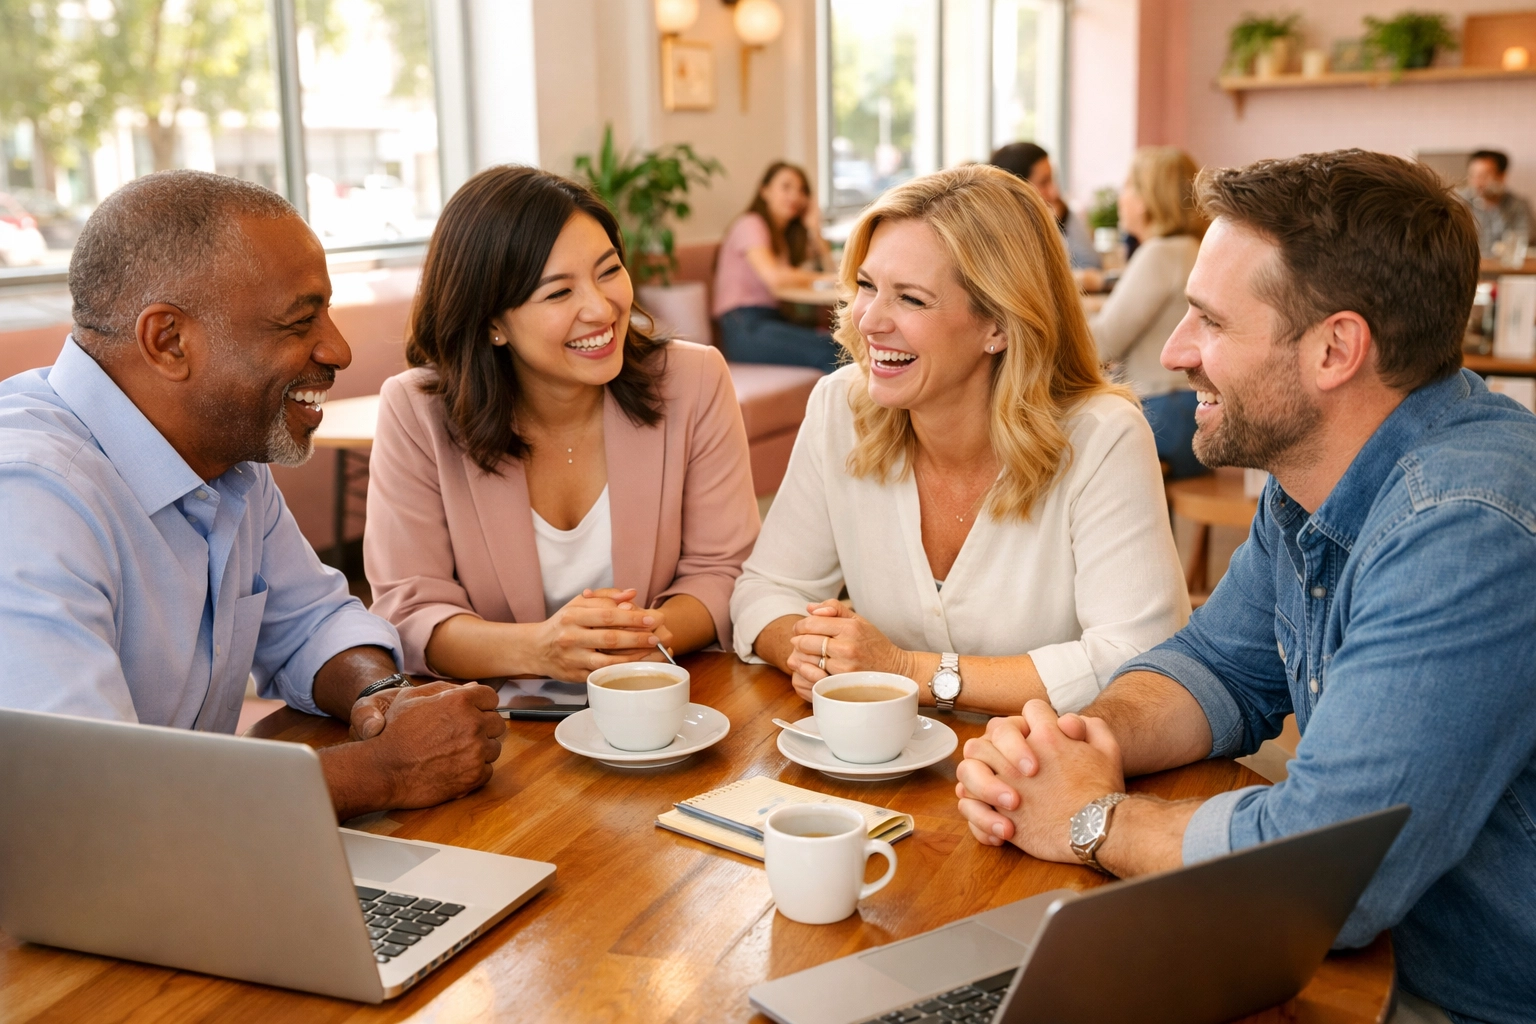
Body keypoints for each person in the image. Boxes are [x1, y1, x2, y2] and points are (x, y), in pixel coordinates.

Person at [954, 150, 1536, 1024]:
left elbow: (1323, 874)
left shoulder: (1464, 526)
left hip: (1462, 999)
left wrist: (1093, 819)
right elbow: (1216, 666)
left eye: (1210, 321)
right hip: (1365, 959)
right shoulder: (1315, 474)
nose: (1177, 352)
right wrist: (1075, 745)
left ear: (1335, 349)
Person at [0, 171, 505, 821]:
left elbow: (310, 623)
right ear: (169, 341)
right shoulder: (28, 502)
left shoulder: (220, 450)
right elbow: (90, 800)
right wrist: (383, 771)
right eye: (299, 322)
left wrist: (380, 696)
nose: (339, 349)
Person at [730, 164, 1189, 716]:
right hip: (879, 757)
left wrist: (905, 671)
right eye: (867, 286)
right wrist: (816, 651)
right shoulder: (840, 406)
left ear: (999, 324)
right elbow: (765, 591)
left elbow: (1136, 661)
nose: (869, 321)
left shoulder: (1102, 437)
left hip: (1038, 761)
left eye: (911, 299)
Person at [364, 166, 760, 684]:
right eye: (558, 293)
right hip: (493, 715)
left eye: (608, 270)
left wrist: (632, 640)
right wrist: (540, 651)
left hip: (654, 699)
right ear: (492, 322)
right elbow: (410, 610)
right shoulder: (416, 410)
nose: (600, 308)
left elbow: (723, 570)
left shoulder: (694, 379)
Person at [1089, 146, 1208, 479]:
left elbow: (1101, 345)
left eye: (1128, 186)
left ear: (1146, 199)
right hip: (1187, 409)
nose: (1121, 197)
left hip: (1163, 412)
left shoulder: (1160, 253)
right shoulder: (1190, 249)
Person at [713, 161, 841, 372]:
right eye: (786, 187)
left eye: (801, 190)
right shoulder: (750, 224)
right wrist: (822, 279)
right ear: (764, 191)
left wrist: (814, 229)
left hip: (773, 320)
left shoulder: (784, 238)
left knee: (842, 343)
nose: (795, 196)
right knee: (833, 351)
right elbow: (775, 278)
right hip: (744, 327)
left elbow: (831, 272)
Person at [989, 142, 1102, 274]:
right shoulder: (995, 237)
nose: (1054, 192)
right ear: (1015, 189)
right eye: (1044, 182)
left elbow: (1092, 264)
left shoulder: (1059, 211)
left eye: (1053, 179)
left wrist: (1063, 220)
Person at [1458, 149, 1531, 257]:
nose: (1477, 182)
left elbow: (1525, 240)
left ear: (1501, 176)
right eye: (1473, 176)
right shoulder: (1458, 202)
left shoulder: (1518, 205)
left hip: (1504, 265)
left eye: (1484, 176)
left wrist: (1493, 205)